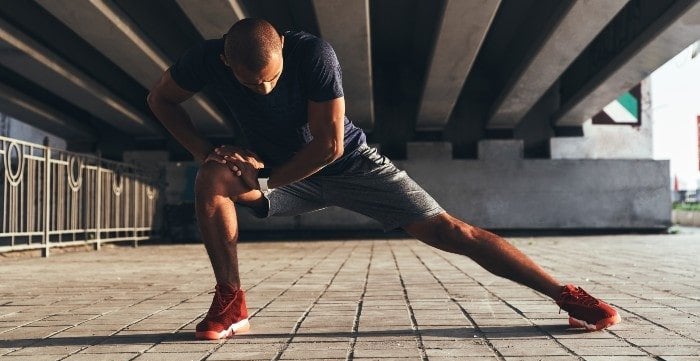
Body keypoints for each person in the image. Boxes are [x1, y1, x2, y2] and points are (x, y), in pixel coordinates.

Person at [147, 18, 620, 340]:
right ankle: (232, 302)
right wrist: (206, 151)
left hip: (347, 162)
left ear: (284, 52)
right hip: (272, 163)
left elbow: (328, 145)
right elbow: (161, 100)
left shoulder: (314, 55)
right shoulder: (205, 60)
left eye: (272, 78)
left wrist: (267, 182)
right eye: (253, 85)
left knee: (452, 231)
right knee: (210, 178)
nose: (265, 89)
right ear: (227, 64)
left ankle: (566, 295)